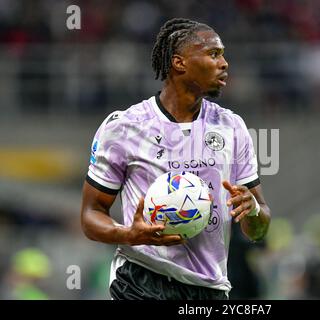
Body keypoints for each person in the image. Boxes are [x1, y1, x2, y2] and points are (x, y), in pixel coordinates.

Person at [80, 18, 271, 300]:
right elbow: (90, 215)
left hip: (210, 289)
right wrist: (128, 234)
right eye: (213, 54)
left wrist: (252, 209)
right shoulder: (125, 127)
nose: (224, 63)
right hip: (141, 279)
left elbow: (259, 228)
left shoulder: (232, 127)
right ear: (179, 63)